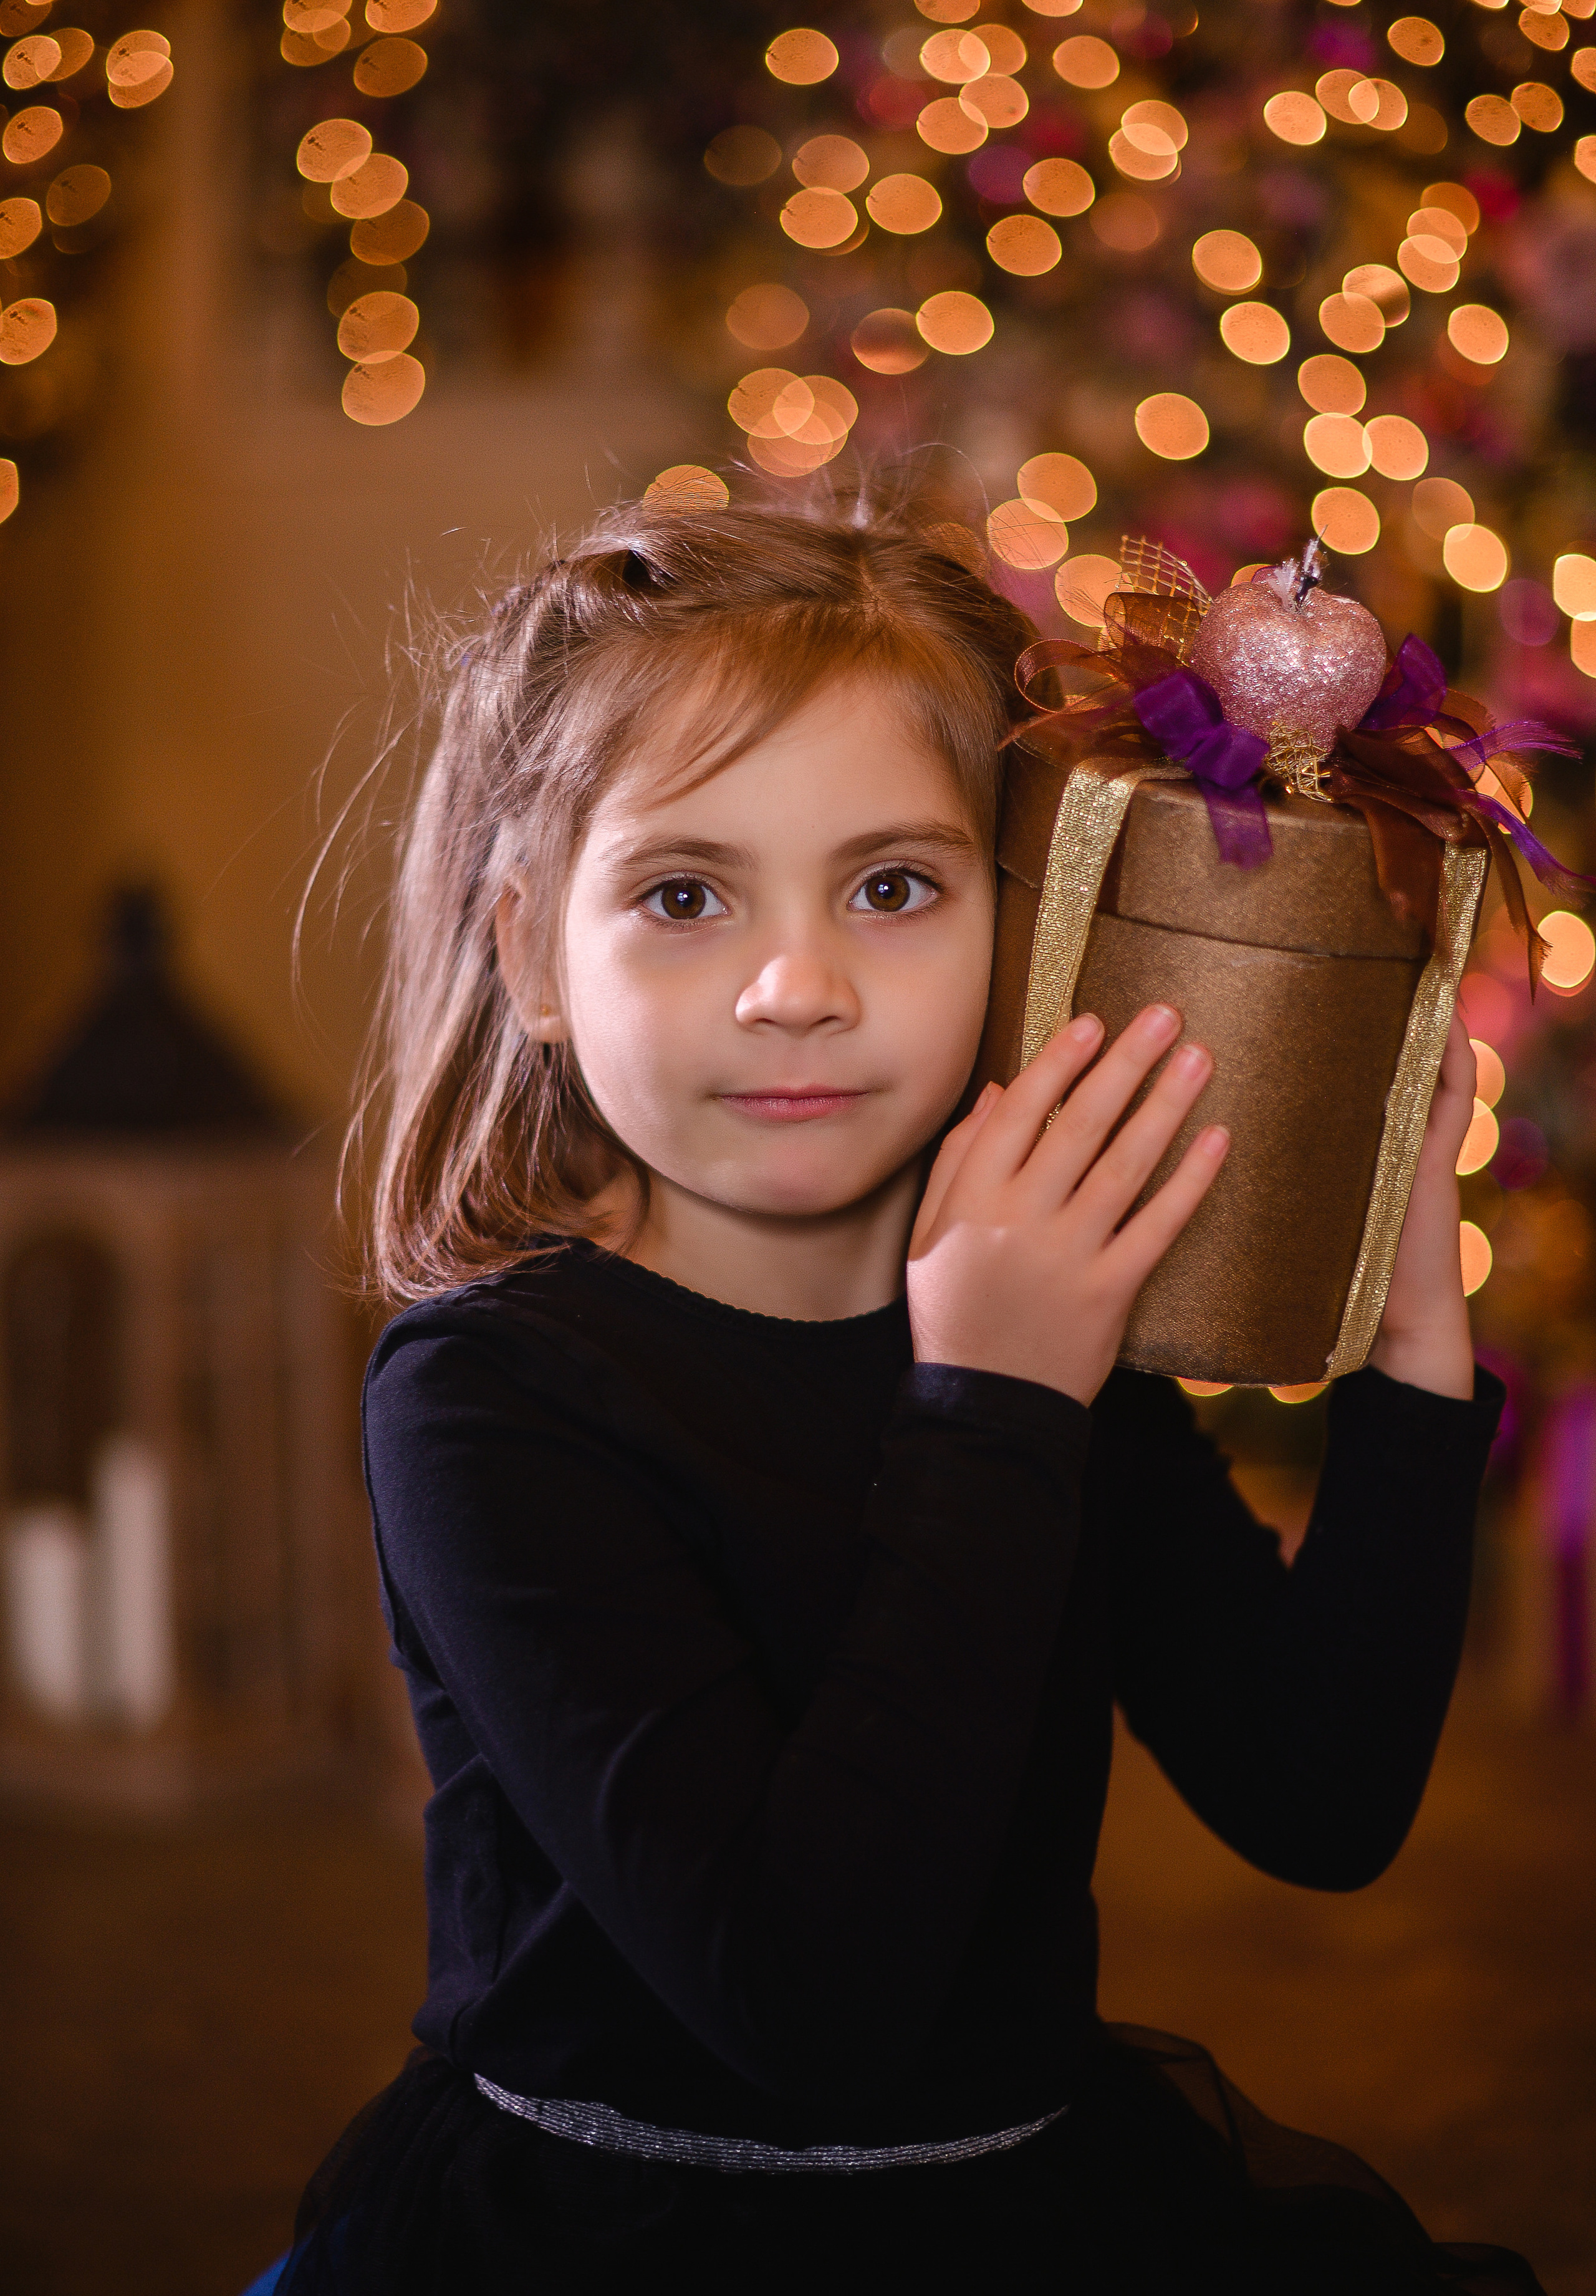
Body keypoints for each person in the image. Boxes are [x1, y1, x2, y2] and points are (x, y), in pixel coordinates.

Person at [276, 495, 1540, 2295]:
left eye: (893, 885)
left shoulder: (1050, 1320)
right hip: (612, 2236)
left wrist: (1414, 1352)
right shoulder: (489, 1395)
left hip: (1036, 2206)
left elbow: (1319, 1800)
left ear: (1021, 924)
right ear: (528, 954)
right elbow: (806, 2000)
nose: (799, 987)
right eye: (685, 894)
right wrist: (998, 1397)